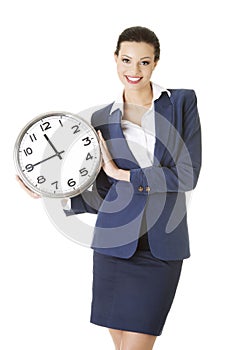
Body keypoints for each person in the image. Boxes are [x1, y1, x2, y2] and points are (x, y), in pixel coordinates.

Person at [16, 26, 202, 350]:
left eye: (144, 62)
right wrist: (52, 194)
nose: (134, 70)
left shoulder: (181, 103)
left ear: (156, 63)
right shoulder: (102, 118)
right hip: (114, 245)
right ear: (115, 59)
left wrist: (128, 175)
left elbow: (187, 175)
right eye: (127, 60)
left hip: (162, 248)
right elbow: (101, 190)